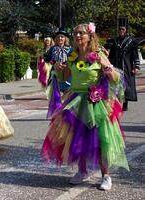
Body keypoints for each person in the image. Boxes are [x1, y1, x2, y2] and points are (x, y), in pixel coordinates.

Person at [41, 22, 129, 191]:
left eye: (82, 33)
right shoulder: (72, 56)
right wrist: (58, 70)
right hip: (75, 100)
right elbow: (64, 77)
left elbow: (116, 78)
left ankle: (106, 176)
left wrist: (110, 73)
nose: (78, 36)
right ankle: (82, 171)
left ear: (90, 36)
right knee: (77, 138)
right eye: (76, 33)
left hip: (96, 102)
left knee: (101, 140)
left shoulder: (98, 54)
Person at [104, 18, 140, 111]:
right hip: (115, 65)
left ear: (126, 30)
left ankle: (125, 103)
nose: (121, 31)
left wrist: (136, 66)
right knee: (115, 84)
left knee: (125, 85)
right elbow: (109, 53)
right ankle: (117, 102)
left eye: (123, 29)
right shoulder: (114, 40)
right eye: (119, 29)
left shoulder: (131, 41)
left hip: (126, 66)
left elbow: (134, 55)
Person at [45, 27, 73, 118]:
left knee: (68, 92)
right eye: (58, 37)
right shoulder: (53, 49)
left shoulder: (70, 49)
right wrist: (54, 63)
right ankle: (57, 112)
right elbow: (47, 59)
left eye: (62, 37)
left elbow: (75, 59)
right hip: (55, 73)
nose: (60, 38)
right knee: (56, 93)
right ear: (56, 39)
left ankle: (68, 111)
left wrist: (68, 65)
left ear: (65, 39)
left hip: (67, 73)